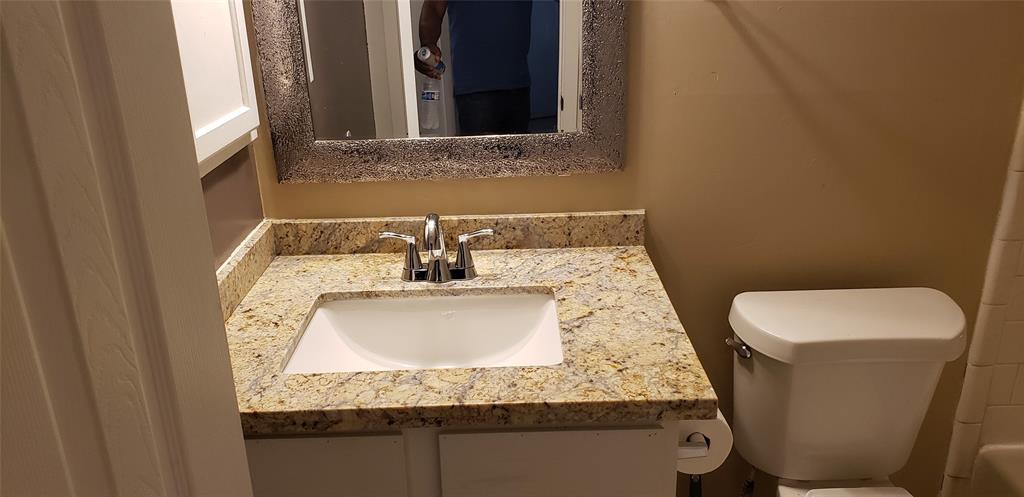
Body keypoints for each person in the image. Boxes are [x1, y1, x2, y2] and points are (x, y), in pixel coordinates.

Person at [416, 0, 533, 136]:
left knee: (518, 153)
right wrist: (427, 43)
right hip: (474, 86)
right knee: (480, 154)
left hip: (517, 81)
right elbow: (434, 6)